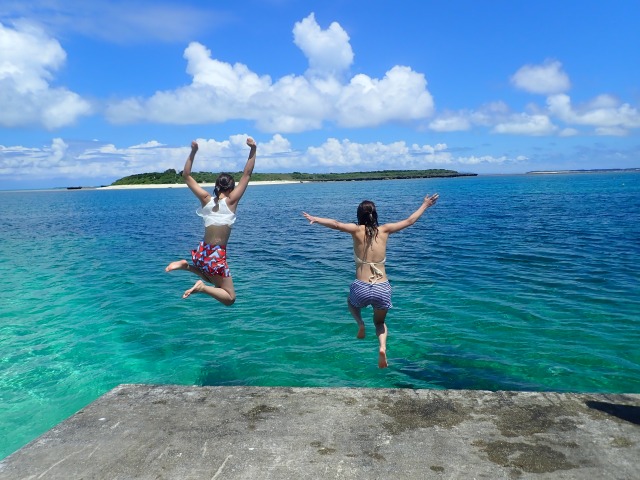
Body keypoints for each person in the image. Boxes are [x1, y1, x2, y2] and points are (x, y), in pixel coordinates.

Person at [302, 193, 439, 368]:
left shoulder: (356, 230)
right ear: (376, 215)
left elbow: (336, 224)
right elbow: (409, 221)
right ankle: (382, 347)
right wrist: (425, 205)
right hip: (382, 286)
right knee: (380, 322)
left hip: (361, 286)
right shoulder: (385, 230)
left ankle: (360, 323)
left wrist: (316, 219)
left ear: (359, 215)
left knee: (351, 303)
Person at [166, 137, 257, 305]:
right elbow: (247, 174)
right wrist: (253, 149)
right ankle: (201, 288)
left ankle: (187, 266)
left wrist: (193, 151)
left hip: (202, 253)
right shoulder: (231, 201)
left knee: (212, 279)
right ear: (231, 188)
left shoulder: (206, 199)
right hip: (215, 255)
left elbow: (186, 175)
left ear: (216, 186)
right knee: (230, 298)